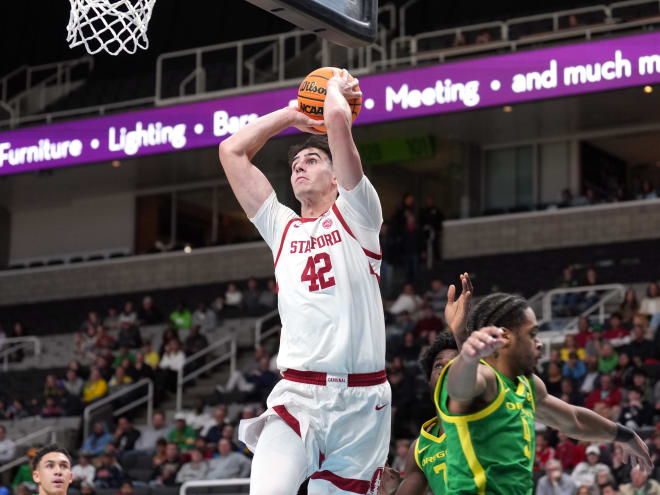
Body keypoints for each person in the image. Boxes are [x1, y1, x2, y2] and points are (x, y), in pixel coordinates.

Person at [220, 68, 390, 494]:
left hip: (364, 406)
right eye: (294, 163)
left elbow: (336, 123)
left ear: (336, 178)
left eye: (311, 160)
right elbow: (232, 151)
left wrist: (332, 88)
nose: (299, 166)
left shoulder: (359, 215)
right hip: (299, 396)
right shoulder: (282, 227)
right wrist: (291, 114)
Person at [437, 292, 652, 494]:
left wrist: (626, 435)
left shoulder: (525, 384)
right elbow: (459, 389)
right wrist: (466, 357)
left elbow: (574, 420)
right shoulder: (483, 378)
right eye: (532, 334)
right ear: (506, 338)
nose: (539, 344)